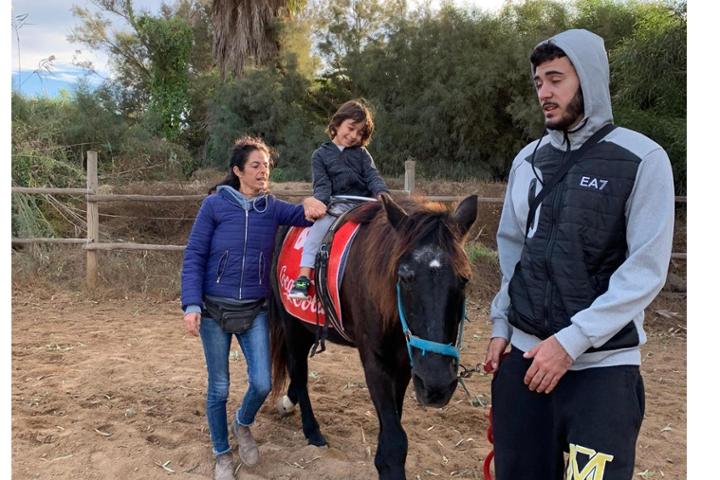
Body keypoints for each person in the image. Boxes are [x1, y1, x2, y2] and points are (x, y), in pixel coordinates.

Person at [484, 29, 674, 479]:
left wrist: (571, 342)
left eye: (556, 79)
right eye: (538, 83)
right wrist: (501, 323)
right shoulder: (528, 161)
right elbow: (514, 251)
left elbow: (644, 271)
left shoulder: (643, 159)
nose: (544, 93)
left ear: (589, 79)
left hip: (602, 373)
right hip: (525, 363)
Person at [181, 136, 326, 480]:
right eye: (256, 165)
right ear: (238, 171)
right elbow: (195, 255)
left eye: (267, 165)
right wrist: (191, 303)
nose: (264, 171)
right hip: (214, 311)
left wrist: (311, 201)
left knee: (262, 384)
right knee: (218, 388)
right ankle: (221, 454)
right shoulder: (214, 206)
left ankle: (242, 423)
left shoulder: (271, 207)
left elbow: (307, 216)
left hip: (254, 310)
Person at [288, 99, 389, 299]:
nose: (354, 136)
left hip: (365, 204)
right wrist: (320, 204)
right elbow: (322, 186)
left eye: (360, 133)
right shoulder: (320, 155)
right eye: (351, 128)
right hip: (337, 205)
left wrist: (382, 195)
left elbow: (373, 177)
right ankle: (303, 276)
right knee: (317, 230)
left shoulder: (362, 154)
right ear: (337, 123)